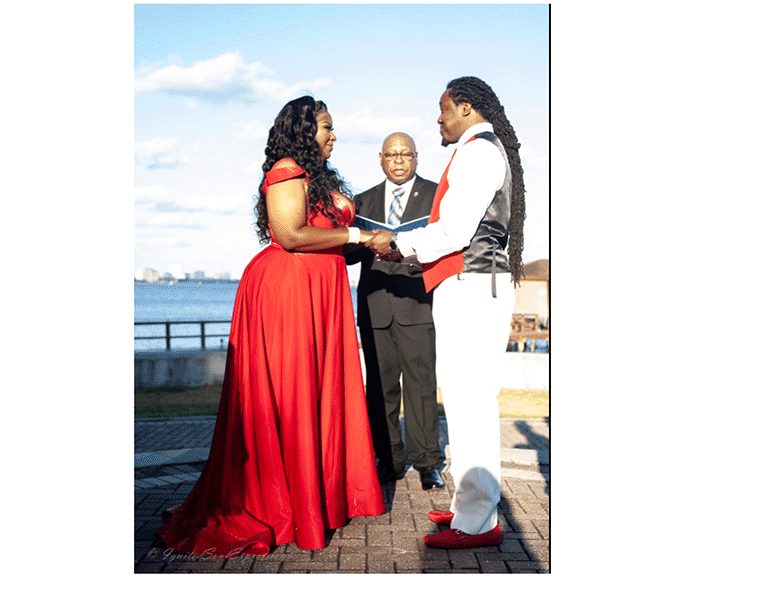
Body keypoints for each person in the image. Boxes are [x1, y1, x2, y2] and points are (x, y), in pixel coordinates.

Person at [156, 96, 385, 558]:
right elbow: (290, 234)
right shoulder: (285, 169)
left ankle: (314, 498)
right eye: (326, 128)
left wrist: (377, 245)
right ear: (304, 131)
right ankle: (283, 503)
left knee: (318, 395)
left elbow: (328, 240)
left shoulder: (321, 177)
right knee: (290, 394)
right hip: (287, 294)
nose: (334, 136)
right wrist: (360, 234)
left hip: (320, 293)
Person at [365, 77, 526, 549]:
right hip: (469, 285)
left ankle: (477, 523)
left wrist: (397, 242)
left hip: (472, 286)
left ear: (466, 107)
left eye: (443, 109)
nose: (439, 119)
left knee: (470, 401)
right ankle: (469, 508)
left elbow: (454, 230)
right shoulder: (478, 149)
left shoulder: (477, 152)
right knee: (462, 399)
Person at [345, 132, 444, 491]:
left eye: (406, 154)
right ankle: (388, 459)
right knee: (381, 388)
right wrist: (363, 240)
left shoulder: (436, 196)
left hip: (417, 302)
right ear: (381, 159)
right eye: (391, 154)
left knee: (421, 386)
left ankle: (427, 462)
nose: (399, 160)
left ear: (417, 158)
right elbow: (349, 254)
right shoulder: (363, 201)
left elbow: (446, 243)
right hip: (374, 307)